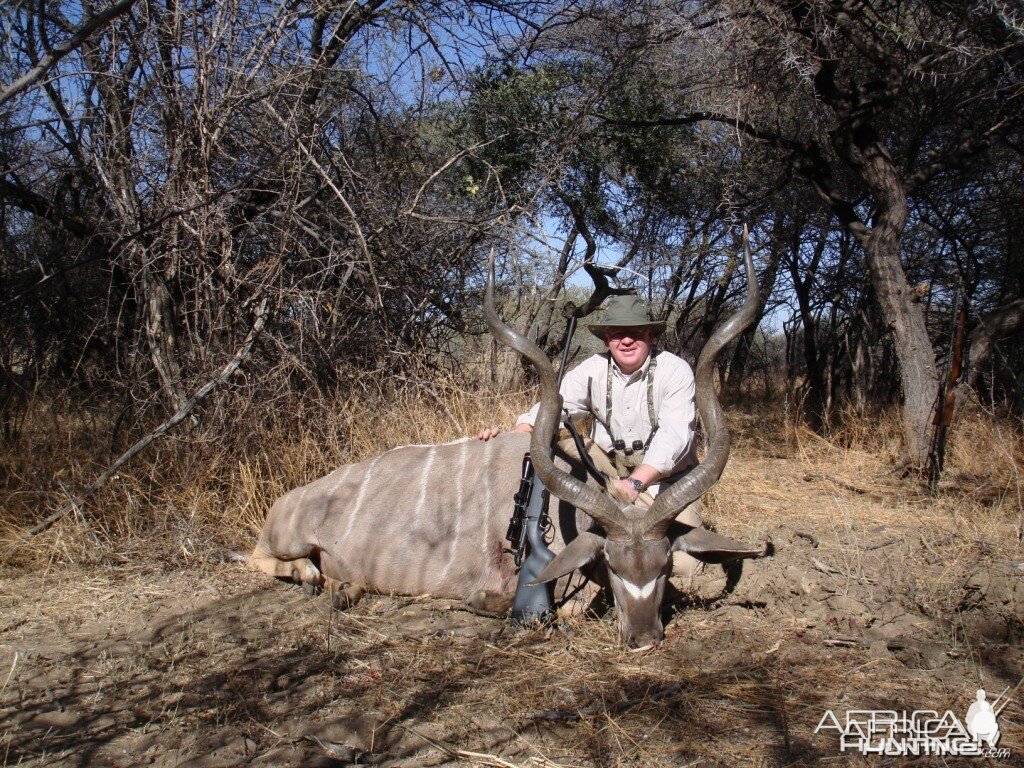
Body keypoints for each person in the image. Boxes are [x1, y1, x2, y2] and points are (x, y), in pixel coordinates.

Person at [476, 293, 705, 582]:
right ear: (606, 339)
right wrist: (513, 439)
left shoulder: (675, 371)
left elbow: (674, 436)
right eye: (617, 334)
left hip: (664, 483)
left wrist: (636, 483)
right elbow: (552, 409)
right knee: (552, 442)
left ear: (650, 336)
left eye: (635, 333)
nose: (626, 341)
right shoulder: (593, 368)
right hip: (607, 474)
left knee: (684, 566)